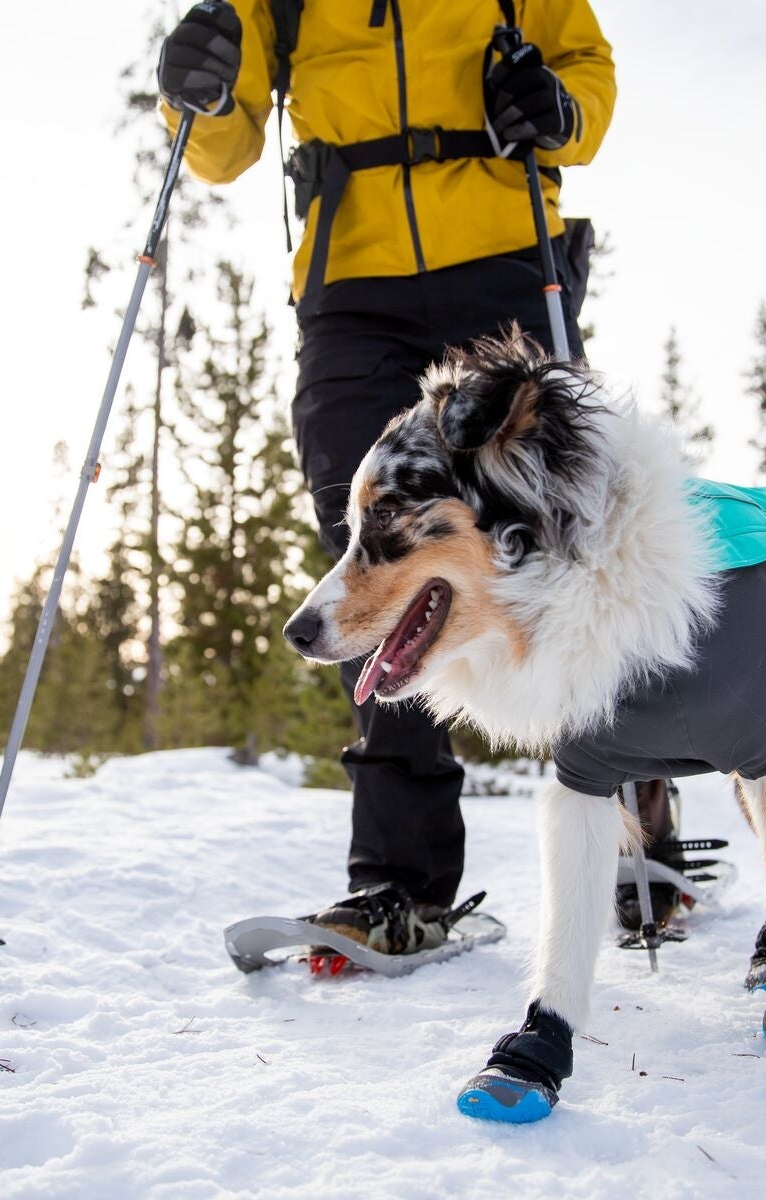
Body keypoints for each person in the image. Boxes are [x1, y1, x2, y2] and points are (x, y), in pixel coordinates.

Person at [157, 0, 615, 953]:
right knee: (368, 548)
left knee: (567, 533)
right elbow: (222, 147)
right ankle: (402, 884)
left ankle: (634, 820)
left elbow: (586, 75)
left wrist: (558, 109)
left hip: (502, 253)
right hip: (351, 284)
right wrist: (189, 92)